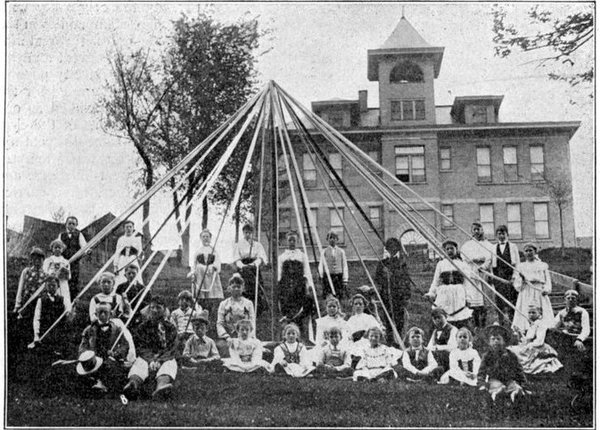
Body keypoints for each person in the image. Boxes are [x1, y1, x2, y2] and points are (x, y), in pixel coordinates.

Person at [123, 295, 178, 399]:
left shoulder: (170, 327)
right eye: (152, 307)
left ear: (164, 309)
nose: (154, 310)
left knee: (170, 364)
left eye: (158, 308)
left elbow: (172, 348)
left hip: (165, 356)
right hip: (147, 356)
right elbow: (141, 347)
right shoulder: (143, 327)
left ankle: (161, 386)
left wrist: (160, 360)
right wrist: (151, 359)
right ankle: (133, 384)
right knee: (140, 363)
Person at [78, 301, 136, 393]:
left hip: (111, 359)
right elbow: (83, 347)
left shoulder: (117, 329)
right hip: (95, 359)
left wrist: (116, 353)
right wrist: (88, 355)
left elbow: (125, 345)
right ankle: (96, 382)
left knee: (111, 368)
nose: (103, 315)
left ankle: (102, 384)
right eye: (100, 312)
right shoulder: (89, 330)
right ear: (96, 314)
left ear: (111, 314)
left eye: (106, 312)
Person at [425, 240, 473, 329]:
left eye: (452, 248)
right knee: (444, 315)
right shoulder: (441, 264)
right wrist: (431, 293)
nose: (450, 251)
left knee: (459, 315)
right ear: (444, 251)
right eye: (447, 249)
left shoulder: (462, 264)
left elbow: (467, 282)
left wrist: (468, 297)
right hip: (444, 293)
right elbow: (435, 281)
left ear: (456, 250)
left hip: (458, 292)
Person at [373, 237, 412, 345]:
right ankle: (390, 341)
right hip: (386, 295)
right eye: (390, 247)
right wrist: (384, 274)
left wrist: (407, 296)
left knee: (399, 319)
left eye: (394, 247)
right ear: (387, 249)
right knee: (388, 318)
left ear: (398, 249)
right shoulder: (383, 263)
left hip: (399, 296)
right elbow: (377, 279)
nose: (392, 249)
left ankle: (399, 341)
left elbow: (406, 280)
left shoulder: (401, 263)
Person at [277, 231, 314, 337]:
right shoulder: (282, 257)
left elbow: (307, 271)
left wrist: (308, 285)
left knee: (299, 308)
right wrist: (278, 284)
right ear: (286, 241)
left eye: (294, 240)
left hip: (299, 286)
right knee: (287, 308)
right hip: (286, 286)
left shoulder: (302, 256)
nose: (292, 242)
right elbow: (279, 273)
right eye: (290, 240)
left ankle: (299, 333)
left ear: (298, 241)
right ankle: (287, 332)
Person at [512, 243, 553, 333]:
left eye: (530, 250)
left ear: (535, 252)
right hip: (526, 291)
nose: (528, 253)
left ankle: (542, 330)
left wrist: (546, 289)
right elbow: (517, 283)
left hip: (539, 291)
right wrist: (522, 280)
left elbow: (547, 280)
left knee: (540, 310)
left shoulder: (542, 265)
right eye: (526, 251)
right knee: (526, 310)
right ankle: (525, 330)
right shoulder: (521, 266)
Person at [509, 305, 562, 375]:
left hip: (538, 347)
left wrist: (528, 346)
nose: (531, 314)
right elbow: (527, 339)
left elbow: (539, 341)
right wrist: (519, 332)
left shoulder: (540, 324)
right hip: (531, 346)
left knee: (515, 353)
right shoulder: (533, 324)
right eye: (529, 313)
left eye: (533, 312)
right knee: (511, 350)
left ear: (540, 314)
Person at [460, 222, 495, 329]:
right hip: (471, 272)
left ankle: (484, 324)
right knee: (474, 299)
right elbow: (464, 258)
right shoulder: (467, 245)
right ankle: (475, 325)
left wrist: (483, 266)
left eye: (478, 229)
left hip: (483, 272)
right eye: (474, 229)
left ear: (482, 230)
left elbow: (489, 258)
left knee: (484, 299)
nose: (476, 231)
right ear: (471, 231)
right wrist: (472, 262)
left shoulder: (488, 245)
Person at [479, 324, 526, 403]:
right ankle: (497, 396)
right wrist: (481, 383)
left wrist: (523, 383)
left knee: (515, 386)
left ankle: (515, 395)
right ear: (489, 342)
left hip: (509, 380)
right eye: (493, 339)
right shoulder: (487, 355)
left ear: (504, 341)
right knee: (499, 387)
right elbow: (482, 371)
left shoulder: (511, 354)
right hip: (494, 379)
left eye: (498, 339)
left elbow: (519, 369)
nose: (496, 341)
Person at [13, 247, 47, 347]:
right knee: (24, 323)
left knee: (35, 322)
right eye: (35, 259)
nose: (37, 261)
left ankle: (33, 343)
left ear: (43, 261)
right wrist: (17, 304)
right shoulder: (26, 271)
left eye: (40, 259)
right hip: (26, 301)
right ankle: (22, 344)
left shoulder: (45, 274)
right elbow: (20, 287)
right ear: (32, 260)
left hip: (38, 303)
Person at [29, 275, 69, 357]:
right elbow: (36, 319)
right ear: (45, 286)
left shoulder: (63, 299)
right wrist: (36, 335)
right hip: (45, 334)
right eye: (49, 285)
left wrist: (73, 307)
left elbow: (68, 316)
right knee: (45, 357)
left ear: (57, 286)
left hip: (59, 335)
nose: (51, 287)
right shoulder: (41, 300)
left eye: (53, 285)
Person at [216, 274, 255, 357]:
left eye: (239, 287)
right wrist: (226, 337)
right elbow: (219, 323)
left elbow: (252, 322)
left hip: (245, 335)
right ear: (229, 288)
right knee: (225, 348)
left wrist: (249, 336)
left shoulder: (248, 304)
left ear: (243, 288)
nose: (236, 289)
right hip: (229, 337)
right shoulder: (224, 304)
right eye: (234, 287)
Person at [232, 224, 268, 313]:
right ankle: (243, 309)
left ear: (252, 233)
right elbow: (236, 259)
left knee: (256, 288)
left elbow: (261, 257)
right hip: (243, 268)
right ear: (243, 233)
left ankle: (257, 310)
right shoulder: (239, 245)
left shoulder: (257, 245)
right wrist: (243, 266)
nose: (248, 234)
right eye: (246, 232)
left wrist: (254, 264)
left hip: (254, 268)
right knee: (243, 287)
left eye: (249, 232)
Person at [491, 226, 520, 326]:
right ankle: (501, 321)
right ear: (496, 236)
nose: (501, 236)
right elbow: (489, 261)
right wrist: (482, 267)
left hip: (510, 276)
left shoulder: (513, 246)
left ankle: (513, 322)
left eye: (503, 233)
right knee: (499, 300)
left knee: (512, 299)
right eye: (499, 234)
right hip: (498, 277)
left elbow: (517, 263)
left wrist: (514, 276)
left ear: (507, 235)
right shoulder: (493, 247)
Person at [188, 229, 223, 301]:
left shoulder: (214, 250)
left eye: (207, 236)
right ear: (201, 238)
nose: (205, 238)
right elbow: (194, 263)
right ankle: (201, 299)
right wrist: (193, 272)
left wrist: (215, 267)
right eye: (203, 237)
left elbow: (217, 261)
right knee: (200, 285)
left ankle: (212, 299)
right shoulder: (198, 250)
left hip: (211, 272)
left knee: (212, 289)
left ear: (210, 238)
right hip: (200, 273)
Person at [58, 216, 88, 300]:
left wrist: (87, 251)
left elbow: (84, 246)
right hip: (63, 263)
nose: (71, 225)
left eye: (73, 224)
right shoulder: (61, 235)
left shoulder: (79, 235)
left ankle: (72, 303)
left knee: (73, 283)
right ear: (66, 224)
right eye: (69, 223)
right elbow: (57, 246)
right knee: (63, 282)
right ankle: (62, 302)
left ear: (76, 225)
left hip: (74, 264)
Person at [42, 239, 72, 312]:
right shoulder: (48, 260)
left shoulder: (65, 261)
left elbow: (69, 276)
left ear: (62, 249)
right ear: (52, 249)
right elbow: (44, 271)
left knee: (64, 298)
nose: (57, 249)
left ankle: (66, 312)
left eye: (59, 247)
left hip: (62, 283)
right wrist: (51, 274)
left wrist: (65, 273)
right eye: (55, 247)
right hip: (52, 282)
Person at [318, 230, 348, 300]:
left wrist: (345, 278)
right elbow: (321, 264)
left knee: (338, 294)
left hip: (338, 276)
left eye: (334, 238)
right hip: (328, 277)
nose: (332, 240)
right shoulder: (324, 251)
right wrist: (321, 276)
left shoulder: (341, 251)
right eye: (330, 238)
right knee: (328, 294)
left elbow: (344, 265)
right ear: (327, 239)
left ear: (337, 239)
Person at [427, 307, 458, 372]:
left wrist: (438, 347)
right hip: (437, 357)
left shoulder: (453, 329)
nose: (437, 320)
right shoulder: (435, 331)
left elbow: (453, 347)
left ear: (446, 317)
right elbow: (429, 346)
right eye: (435, 318)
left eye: (439, 317)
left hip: (448, 358)